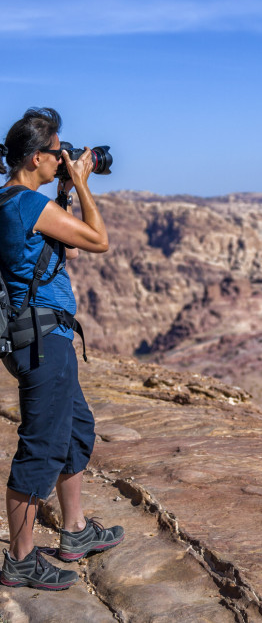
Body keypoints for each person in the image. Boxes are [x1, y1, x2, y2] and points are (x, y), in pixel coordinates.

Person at [0, 108, 124, 590]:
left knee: (74, 429)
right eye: (58, 153)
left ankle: (74, 531)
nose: (63, 158)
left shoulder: (17, 202)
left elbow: (66, 249)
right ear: (36, 158)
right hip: (43, 341)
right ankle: (20, 559)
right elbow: (97, 241)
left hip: (46, 336)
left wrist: (65, 192)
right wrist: (85, 184)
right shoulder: (23, 205)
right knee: (41, 446)